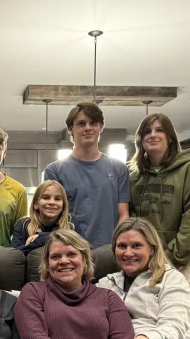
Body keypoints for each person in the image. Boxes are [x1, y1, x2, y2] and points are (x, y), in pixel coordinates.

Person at [128, 113, 190, 305]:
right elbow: (133, 222)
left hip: (185, 263)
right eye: (147, 132)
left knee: (177, 324)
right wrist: (146, 256)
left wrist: (172, 257)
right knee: (148, 322)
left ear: (170, 137)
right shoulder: (135, 178)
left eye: (159, 130)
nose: (153, 135)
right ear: (140, 140)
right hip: (148, 265)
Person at [43, 101, 130, 249]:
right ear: (70, 129)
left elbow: (123, 215)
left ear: (100, 127)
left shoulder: (119, 169)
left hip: (109, 252)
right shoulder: (55, 170)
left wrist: (117, 247)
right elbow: (52, 217)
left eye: (93, 123)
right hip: (71, 251)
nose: (88, 128)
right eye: (81, 124)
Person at [11, 179, 74, 255]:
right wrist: (57, 238)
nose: (52, 202)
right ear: (36, 204)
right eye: (46, 198)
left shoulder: (71, 223)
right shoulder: (23, 224)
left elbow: (84, 249)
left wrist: (41, 238)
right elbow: (15, 255)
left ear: (63, 205)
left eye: (57, 199)